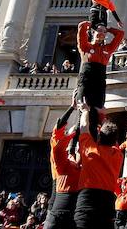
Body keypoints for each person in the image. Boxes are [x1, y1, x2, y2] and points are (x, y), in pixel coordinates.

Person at [73, 103, 123, 229]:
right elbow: (113, 137)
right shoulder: (118, 154)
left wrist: (85, 111)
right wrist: (103, 119)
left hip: (88, 199)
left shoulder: (90, 149)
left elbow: (84, 126)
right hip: (107, 201)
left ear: (100, 136)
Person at [75, 20, 125, 139]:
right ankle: (74, 145)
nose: (101, 33)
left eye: (103, 32)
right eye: (99, 31)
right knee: (83, 109)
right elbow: (81, 28)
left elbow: (120, 34)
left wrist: (108, 29)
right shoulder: (85, 46)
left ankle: (94, 140)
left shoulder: (108, 48)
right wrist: (90, 24)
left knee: (97, 113)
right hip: (86, 81)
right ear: (93, 32)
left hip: (99, 82)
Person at [46, 93, 80, 229]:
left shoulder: (72, 153)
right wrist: (72, 108)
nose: (70, 133)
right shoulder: (58, 147)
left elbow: (77, 131)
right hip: (59, 188)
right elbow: (60, 126)